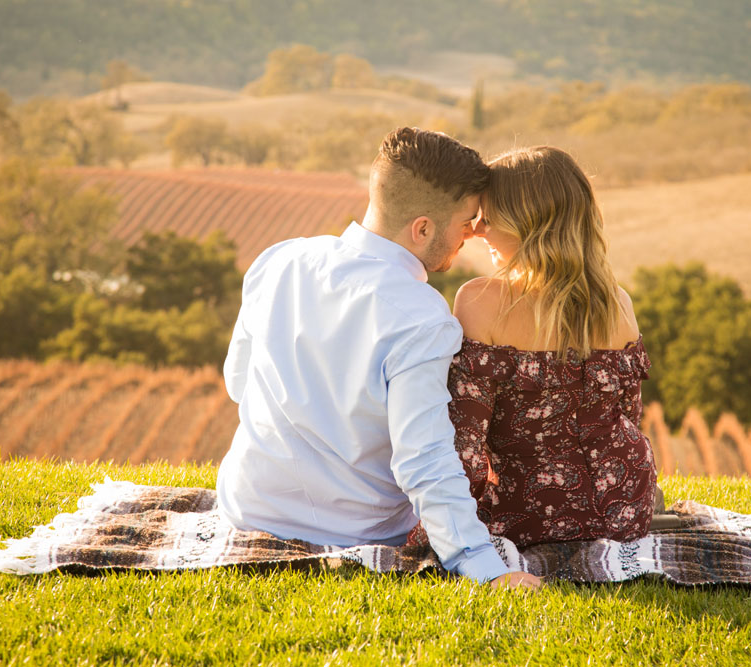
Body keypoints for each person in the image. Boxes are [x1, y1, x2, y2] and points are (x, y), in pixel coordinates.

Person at [215, 127, 541, 590]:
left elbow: (238, 383)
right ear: (423, 228)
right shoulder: (423, 319)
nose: (470, 235)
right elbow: (423, 458)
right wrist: (485, 567)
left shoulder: (279, 260)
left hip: (248, 507)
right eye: (465, 222)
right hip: (355, 531)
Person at [408, 146, 660, 550]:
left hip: (528, 511)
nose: (477, 231)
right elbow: (629, 419)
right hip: (627, 504)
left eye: (489, 218)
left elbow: (466, 447)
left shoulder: (480, 300)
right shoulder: (619, 302)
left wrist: (433, 534)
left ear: (529, 223)